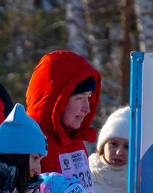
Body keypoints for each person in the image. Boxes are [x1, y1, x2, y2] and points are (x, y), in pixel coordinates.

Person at [25, 50, 101, 180]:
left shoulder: (75, 141)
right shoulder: (27, 142)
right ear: (56, 100)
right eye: (79, 98)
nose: (87, 108)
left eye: (88, 97)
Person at [89, 106, 130, 193]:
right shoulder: (87, 178)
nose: (119, 152)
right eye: (113, 144)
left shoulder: (142, 182)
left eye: (127, 146)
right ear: (102, 145)